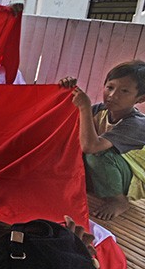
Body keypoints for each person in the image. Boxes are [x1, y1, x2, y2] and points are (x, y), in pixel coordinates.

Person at [58, 61, 145, 220]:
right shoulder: (101, 110)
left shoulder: (137, 124)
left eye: (124, 91)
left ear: (140, 98)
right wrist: (67, 91)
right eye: (110, 87)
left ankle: (119, 200)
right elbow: (69, 122)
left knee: (98, 153)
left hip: (130, 179)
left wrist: (84, 107)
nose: (112, 95)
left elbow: (90, 147)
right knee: (71, 140)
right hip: (105, 171)